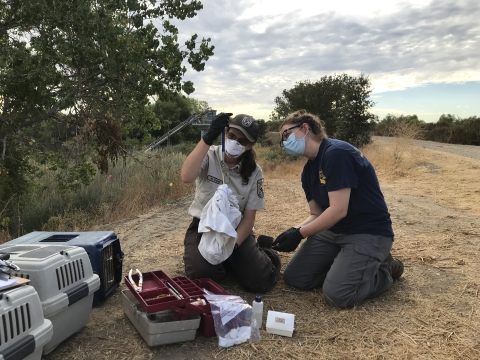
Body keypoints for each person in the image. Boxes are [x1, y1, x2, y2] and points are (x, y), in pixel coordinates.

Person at [273, 109, 404, 309]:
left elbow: (338, 210)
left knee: (338, 296)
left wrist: (300, 234)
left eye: (286, 134)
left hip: (367, 231)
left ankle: (385, 268)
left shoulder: (336, 153)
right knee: (295, 278)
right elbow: (316, 214)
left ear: (305, 128)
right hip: (335, 231)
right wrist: (292, 231)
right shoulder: (308, 171)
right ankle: (346, 268)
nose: (284, 143)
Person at [181, 112, 281, 293]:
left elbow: (249, 218)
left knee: (259, 280)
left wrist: (231, 246)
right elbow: (186, 176)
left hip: (235, 229)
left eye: (242, 141)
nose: (235, 142)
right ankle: (222, 263)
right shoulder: (209, 155)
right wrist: (208, 138)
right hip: (204, 227)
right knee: (202, 275)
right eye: (232, 136)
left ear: (250, 146)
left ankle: (265, 251)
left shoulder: (254, 172)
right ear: (225, 133)